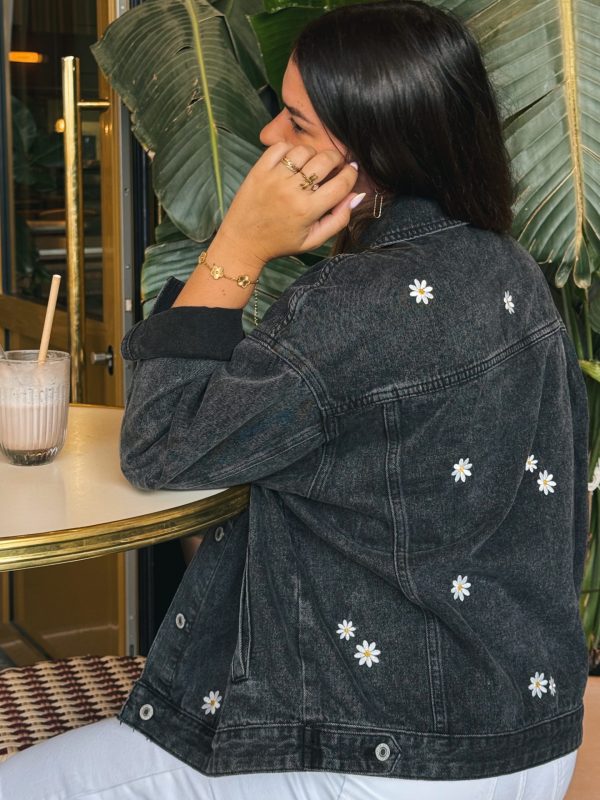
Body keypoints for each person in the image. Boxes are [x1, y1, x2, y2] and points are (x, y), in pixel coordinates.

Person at [0, 2, 588, 798]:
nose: (271, 138)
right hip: (529, 739)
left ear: (375, 149)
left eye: (297, 123)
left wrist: (234, 247)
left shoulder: (357, 303)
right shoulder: (509, 270)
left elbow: (160, 448)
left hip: (380, 754)